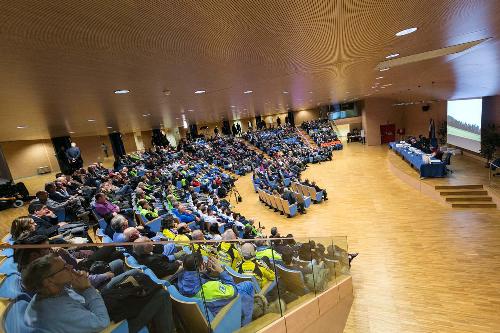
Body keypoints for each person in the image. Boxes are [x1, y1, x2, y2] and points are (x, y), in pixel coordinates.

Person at [21, 254, 111, 332]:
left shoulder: (54, 290)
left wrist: (80, 285)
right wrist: (87, 289)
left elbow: (78, 302)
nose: (70, 267)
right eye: (64, 267)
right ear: (48, 281)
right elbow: (102, 322)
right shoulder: (57, 312)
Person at [177, 253, 254, 326]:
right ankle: (246, 325)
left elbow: (199, 280)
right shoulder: (210, 287)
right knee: (248, 285)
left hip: (204, 310)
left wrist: (207, 272)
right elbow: (234, 291)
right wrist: (221, 271)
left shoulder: (181, 279)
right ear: (201, 266)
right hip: (218, 316)